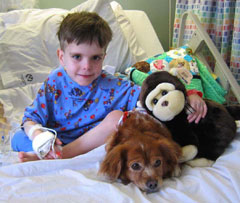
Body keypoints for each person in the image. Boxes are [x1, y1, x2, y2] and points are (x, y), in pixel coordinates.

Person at [11, 11, 207, 162]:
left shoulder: (113, 86)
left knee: (118, 119)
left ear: (104, 57)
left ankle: (64, 155)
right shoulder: (54, 82)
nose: (86, 66)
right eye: (77, 57)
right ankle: (50, 153)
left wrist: (189, 94)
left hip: (90, 143)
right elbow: (31, 118)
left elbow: (151, 96)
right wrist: (38, 136)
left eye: (95, 58)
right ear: (62, 57)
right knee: (18, 138)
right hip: (53, 140)